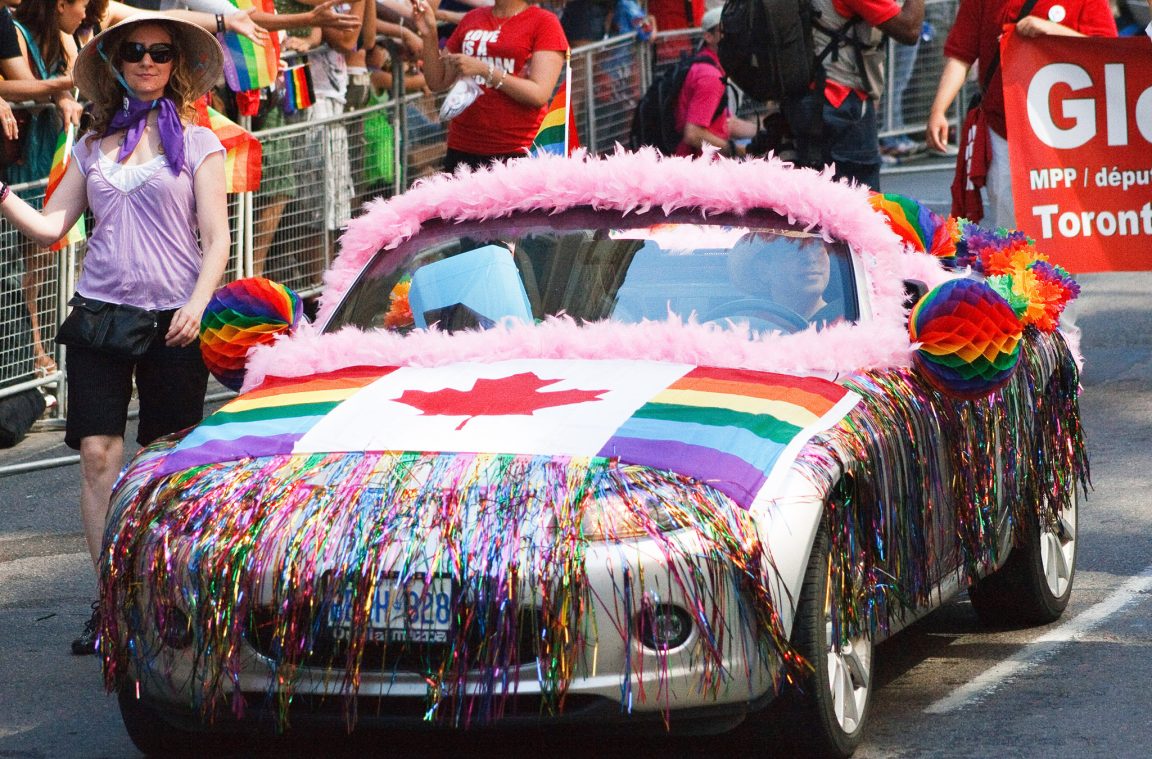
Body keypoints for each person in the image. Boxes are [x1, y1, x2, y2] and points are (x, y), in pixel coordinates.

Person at [0, 14, 229, 654]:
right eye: (136, 51)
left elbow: (217, 241)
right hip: (101, 314)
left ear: (176, 63)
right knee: (100, 457)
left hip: (175, 322)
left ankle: (165, 595)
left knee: (163, 467)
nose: (148, 61)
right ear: (116, 62)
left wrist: (198, 302)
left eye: (160, 52)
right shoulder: (91, 144)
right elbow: (51, 228)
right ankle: (112, 604)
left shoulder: (201, 142)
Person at [924, 0, 1117, 229]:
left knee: (1066, 227)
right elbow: (961, 54)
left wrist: (1054, 32)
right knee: (1011, 228)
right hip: (1004, 129)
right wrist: (938, 110)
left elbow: (1107, 54)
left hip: (1067, 138)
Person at [783, 0, 925, 190]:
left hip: (807, 96)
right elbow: (909, 29)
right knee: (861, 203)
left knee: (819, 200)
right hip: (840, 103)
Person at [412, 0, 568, 171]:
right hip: (463, 147)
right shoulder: (472, 18)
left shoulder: (545, 22)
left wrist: (485, 71)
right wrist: (429, 33)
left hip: (518, 149)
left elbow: (539, 94)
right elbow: (437, 81)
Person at [674, 7, 755, 157]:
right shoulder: (710, 76)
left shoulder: (708, 65)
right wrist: (736, 151)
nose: (735, 36)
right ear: (708, 37)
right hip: (702, 171)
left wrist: (763, 131)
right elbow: (693, 134)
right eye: (726, 32)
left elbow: (727, 122)